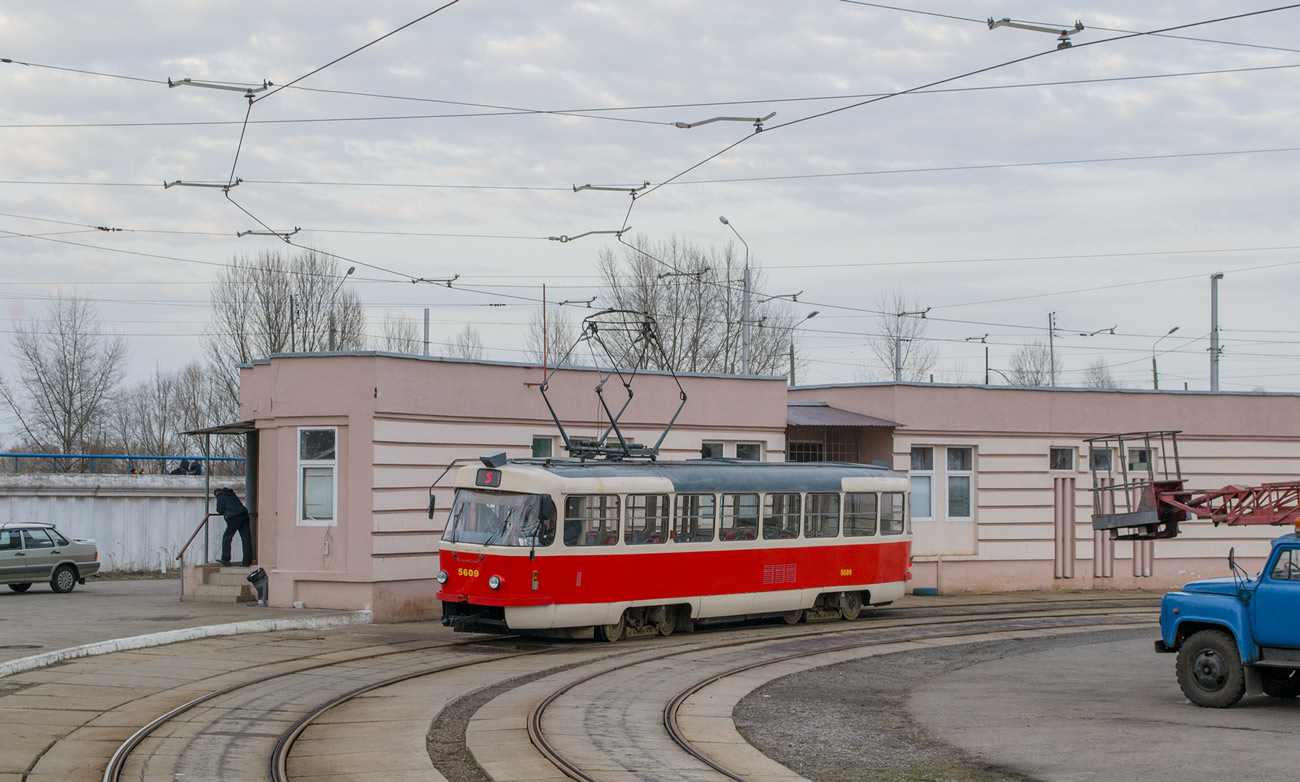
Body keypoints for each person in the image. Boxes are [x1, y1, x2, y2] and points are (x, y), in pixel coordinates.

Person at [214, 487, 253, 567]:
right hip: (244, 515)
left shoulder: (220, 496)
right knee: (246, 539)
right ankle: (247, 562)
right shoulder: (232, 495)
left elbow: (220, 510)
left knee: (227, 537)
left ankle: (226, 559)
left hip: (233, 518)